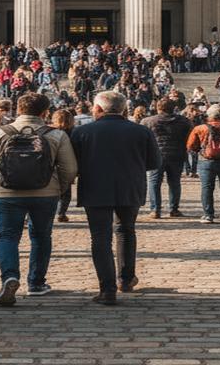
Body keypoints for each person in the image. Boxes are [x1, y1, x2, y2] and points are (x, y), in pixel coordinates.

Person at [0, 92, 77, 306]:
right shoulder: (56, 135)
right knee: (41, 237)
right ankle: (36, 282)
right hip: (45, 192)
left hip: (6, 192)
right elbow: (69, 168)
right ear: (45, 112)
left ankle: (10, 276)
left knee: (7, 237)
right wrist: (60, 188)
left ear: (18, 110)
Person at [70, 91, 161, 305]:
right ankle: (126, 279)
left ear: (98, 109)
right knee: (126, 231)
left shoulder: (82, 132)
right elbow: (153, 162)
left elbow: (73, 164)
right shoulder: (141, 131)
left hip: (95, 187)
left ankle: (107, 288)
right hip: (130, 187)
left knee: (100, 237)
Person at [141, 97, 194, 218]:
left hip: (155, 155)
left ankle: (155, 210)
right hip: (177, 154)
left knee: (154, 182)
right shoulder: (184, 121)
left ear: (158, 107)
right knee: (174, 182)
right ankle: (174, 209)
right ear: (174, 108)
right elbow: (190, 137)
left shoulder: (147, 121)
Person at [50, 109, 77, 222]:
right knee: (66, 191)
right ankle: (62, 212)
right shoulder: (74, 132)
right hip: (68, 163)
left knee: (51, 190)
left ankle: (51, 212)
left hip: (52, 164)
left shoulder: (50, 131)